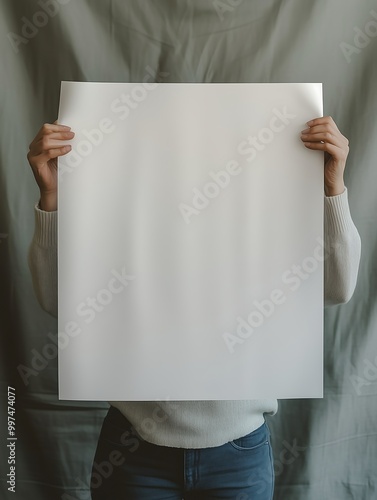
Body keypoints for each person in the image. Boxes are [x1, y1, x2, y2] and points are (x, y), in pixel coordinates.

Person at [27, 115, 361, 499]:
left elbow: (337, 288)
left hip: (239, 453)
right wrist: (51, 197)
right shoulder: (128, 224)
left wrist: (334, 187)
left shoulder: (260, 224)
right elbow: (57, 301)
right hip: (134, 448)